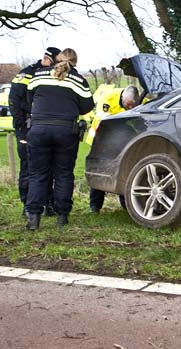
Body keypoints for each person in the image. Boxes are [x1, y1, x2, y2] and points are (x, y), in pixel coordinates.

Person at [24, 48, 94, 230]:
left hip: (39, 129)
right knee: (63, 173)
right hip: (65, 131)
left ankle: (33, 218)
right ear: (75, 62)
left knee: (37, 174)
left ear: (57, 59)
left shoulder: (38, 75)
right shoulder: (79, 80)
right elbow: (87, 107)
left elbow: (29, 98)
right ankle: (62, 217)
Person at [9, 47, 61, 216]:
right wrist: (21, 128)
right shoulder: (26, 74)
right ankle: (27, 205)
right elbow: (14, 101)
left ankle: (47, 204)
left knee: (49, 167)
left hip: (44, 127)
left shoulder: (52, 74)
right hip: (26, 126)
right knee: (28, 167)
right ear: (48, 59)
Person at [87, 85, 140, 213]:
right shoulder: (108, 97)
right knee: (100, 171)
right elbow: (104, 120)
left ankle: (125, 205)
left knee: (124, 170)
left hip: (122, 142)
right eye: (128, 105)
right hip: (101, 139)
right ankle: (95, 206)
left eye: (133, 105)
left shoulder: (139, 102)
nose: (130, 108)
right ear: (122, 97)